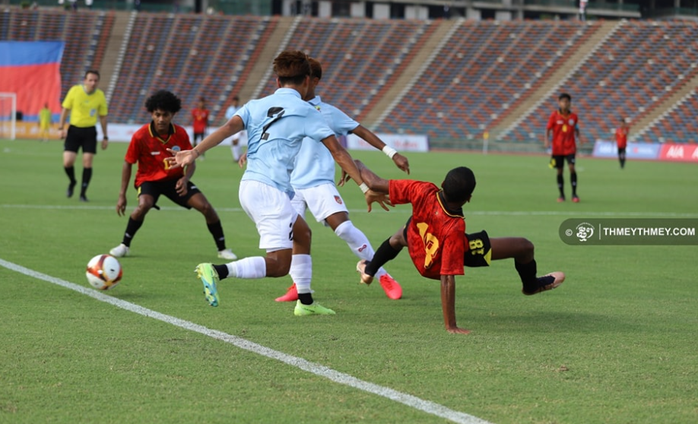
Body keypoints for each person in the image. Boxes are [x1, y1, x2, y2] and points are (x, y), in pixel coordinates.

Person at [167, 50, 387, 316]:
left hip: (250, 186)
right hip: (269, 192)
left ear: (277, 82)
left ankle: (305, 303)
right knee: (280, 265)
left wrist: (194, 152)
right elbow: (338, 153)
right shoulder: (308, 111)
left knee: (303, 233)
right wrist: (364, 186)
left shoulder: (255, 105)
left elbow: (227, 129)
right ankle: (216, 270)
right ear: (307, 81)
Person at [353, 160, 565, 334]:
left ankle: (369, 270)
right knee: (524, 247)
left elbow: (376, 182)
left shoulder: (423, 189)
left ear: (443, 182)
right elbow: (447, 278)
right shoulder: (455, 227)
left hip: (417, 242)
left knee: (401, 234)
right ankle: (531, 285)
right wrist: (450, 325)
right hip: (433, 262)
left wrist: (355, 165)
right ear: (469, 198)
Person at [273, 57, 410, 303]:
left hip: (318, 182)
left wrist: (392, 153)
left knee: (344, 228)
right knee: (291, 234)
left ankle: (381, 274)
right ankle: (299, 285)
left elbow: (362, 131)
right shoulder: (285, 108)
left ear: (312, 81)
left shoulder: (327, 112)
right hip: (288, 184)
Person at [109, 90, 237, 261]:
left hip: (175, 181)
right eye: (157, 114)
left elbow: (191, 161)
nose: (161, 119)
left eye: (165, 115)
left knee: (206, 208)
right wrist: (121, 195)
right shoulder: (140, 136)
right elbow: (128, 163)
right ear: (151, 113)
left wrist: (185, 179)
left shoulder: (180, 134)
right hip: (149, 180)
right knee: (144, 204)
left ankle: (222, 249)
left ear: (173, 114)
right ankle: (124, 245)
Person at [58, 70, 109, 202]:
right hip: (74, 130)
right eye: (90, 80)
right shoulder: (75, 91)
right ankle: (73, 181)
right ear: (85, 80)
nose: (93, 83)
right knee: (68, 162)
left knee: (87, 162)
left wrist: (105, 136)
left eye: (95, 80)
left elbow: (103, 117)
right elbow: (65, 109)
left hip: (90, 132)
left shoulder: (100, 95)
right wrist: (60, 128)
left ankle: (83, 193)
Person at [544, 93, 583, 203]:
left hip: (570, 147)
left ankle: (574, 194)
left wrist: (579, 137)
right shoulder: (554, 116)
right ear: (559, 103)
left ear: (570, 103)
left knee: (571, 168)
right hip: (557, 148)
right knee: (559, 171)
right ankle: (561, 195)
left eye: (567, 102)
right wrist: (546, 140)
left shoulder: (574, 117)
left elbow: (576, 128)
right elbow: (548, 129)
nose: (565, 104)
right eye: (563, 101)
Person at [224, 95, 247, 161]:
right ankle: (239, 156)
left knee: (235, 141)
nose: (235, 103)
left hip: (239, 128)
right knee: (235, 143)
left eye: (236, 101)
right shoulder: (230, 109)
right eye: (234, 101)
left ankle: (237, 158)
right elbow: (228, 119)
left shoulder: (240, 109)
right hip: (231, 128)